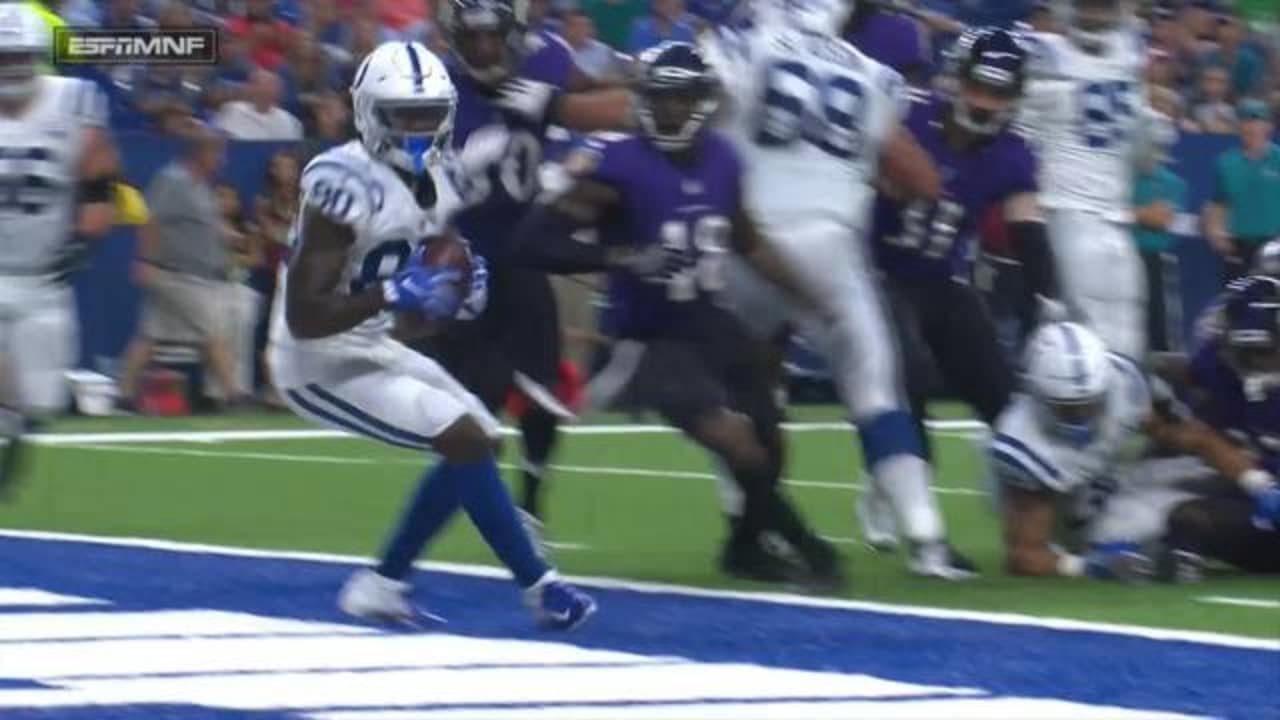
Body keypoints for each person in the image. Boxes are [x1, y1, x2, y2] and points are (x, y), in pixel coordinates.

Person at [267, 40, 595, 629]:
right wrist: (396, 293)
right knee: (464, 436)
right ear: (369, 114)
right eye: (404, 117)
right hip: (315, 359)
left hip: (369, 342)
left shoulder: (441, 181)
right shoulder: (343, 180)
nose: (419, 131)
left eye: (430, 117)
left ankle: (383, 583)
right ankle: (541, 587)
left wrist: (453, 297)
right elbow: (305, 315)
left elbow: (412, 314)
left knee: (481, 438)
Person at [513, 42, 843, 589]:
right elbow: (531, 240)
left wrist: (810, 296)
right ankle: (809, 545)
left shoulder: (722, 159)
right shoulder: (616, 163)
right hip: (647, 334)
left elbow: (749, 242)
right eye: (659, 99)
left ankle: (743, 547)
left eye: (679, 100)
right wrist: (617, 256)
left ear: (702, 102)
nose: (667, 111)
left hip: (706, 319)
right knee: (733, 440)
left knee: (771, 433)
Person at [696, 0, 974, 579]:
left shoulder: (744, 45)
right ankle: (927, 538)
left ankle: (749, 523)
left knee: (737, 393)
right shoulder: (869, 72)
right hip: (831, 247)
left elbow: (693, 113)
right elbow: (918, 175)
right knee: (875, 394)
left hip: (749, 243)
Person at [421, 0, 632, 523]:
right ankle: (472, 510)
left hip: (523, 251)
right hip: (461, 258)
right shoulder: (430, 86)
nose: (486, 49)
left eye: (494, 37)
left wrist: (556, 104)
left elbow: (619, 102)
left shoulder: (547, 61)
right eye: (473, 40)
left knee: (542, 392)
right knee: (472, 405)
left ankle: (532, 504)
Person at [861, 28, 1056, 550]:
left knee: (1000, 393)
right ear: (955, 79)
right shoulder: (906, 116)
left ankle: (1036, 518)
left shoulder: (1013, 152)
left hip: (942, 278)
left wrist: (1050, 303)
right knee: (912, 375)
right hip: (875, 272)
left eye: (999, 92)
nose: (985, 102)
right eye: (978, 86)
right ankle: (898, 496)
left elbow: (1028, 231)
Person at [0, 3, 117, 494]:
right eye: (3, 58)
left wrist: (86, 239)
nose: (12, 68)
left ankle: (13, 436)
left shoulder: (74, 101)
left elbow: (100, 182)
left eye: (20, 56)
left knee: (38, 403)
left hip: (41, 275)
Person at [1019, 0, 1155, 359]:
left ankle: (1119, 408)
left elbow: (1143, 156)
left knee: (1127, 320)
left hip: (1112, 213)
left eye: (1103, 7)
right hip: (1065, 207)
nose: (1096, 15)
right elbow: (1017, 140)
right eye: (1089, 6)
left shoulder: (1127, 61)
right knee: (1084, 324)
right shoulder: (1046, 57)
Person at [988, 321, 1158, 580]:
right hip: (1052, 493)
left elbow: (1183, 435)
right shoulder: (1021, 443)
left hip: (1103, 475)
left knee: (1154, 513)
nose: (1082, 420)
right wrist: (1090, 567)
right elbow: (1025, 557)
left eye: (1090, 406)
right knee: (1093, 533)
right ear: (1038, 396)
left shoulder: (1123, 383)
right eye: (1069, 410)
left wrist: (1243, 480)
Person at [1144, 276, 1280, 576]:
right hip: (1261, 503)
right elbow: (1183, 386)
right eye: (1247, 351)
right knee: (1185, 516)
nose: (1256, 362)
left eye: (1266, 350)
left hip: (1261, 488)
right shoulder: (1223, 369)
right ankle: (1174, 560)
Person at [1203, 98, 1280, 282]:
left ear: (1268, 126)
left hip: (1274, 246)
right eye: (1244, 121)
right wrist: (1214, 231)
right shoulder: (1226, 162)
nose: (1250, 127)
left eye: (1256, 120)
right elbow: (1218, 204)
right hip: (1238, 247)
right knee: (1238, 305)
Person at [1132, 112, 1186, 352]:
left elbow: (1161, 218)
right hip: (1124, 256)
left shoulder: (1174, 183)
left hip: (1155, 261)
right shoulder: (1122, 177)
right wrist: (1141, 214)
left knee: (1159, 325)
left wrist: (1129, 213)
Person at [213, 68, 305, 141]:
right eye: (258, 85)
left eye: (270, 86)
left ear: (279, 92)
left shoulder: (290, 122)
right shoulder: (231, 110)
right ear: (250, 88)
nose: (264, 91)